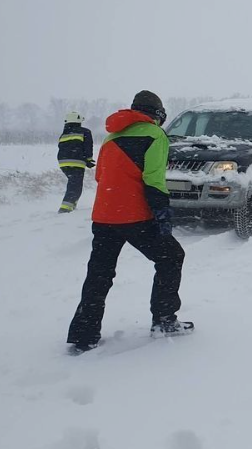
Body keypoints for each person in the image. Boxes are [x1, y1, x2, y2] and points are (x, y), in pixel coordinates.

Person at [66, 90, 191, 354]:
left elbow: (100, 177)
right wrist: (162, 217)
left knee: (99, 274)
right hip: (135, 216)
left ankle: (84, 334)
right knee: (171, 257)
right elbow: (154, 181)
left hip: (103, 216)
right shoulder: (155, 135)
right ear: (157, 115)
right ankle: (164, 320)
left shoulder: (111, 137)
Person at [56, 111, 94, 213]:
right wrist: (89, 160)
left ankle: (72, 205)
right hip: (76, 162)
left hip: (63, 162)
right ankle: (65, 208)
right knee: (76, 185)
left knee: (72, 182)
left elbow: (62, 147)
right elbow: (88, 146)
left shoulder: (64, 134)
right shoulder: (85, 131)